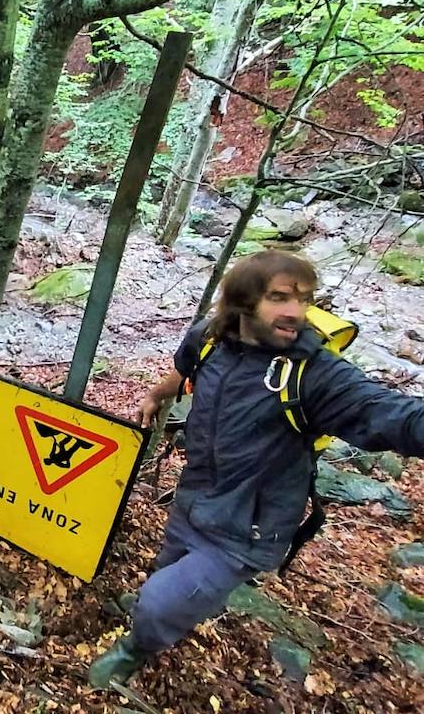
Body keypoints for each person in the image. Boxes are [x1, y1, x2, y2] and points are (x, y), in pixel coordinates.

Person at [88, 249, 424, 688]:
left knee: (156, 603)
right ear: (244, 302)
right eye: (280, 298)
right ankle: (177, 602)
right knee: (168, 564)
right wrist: (155, 394)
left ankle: (137, 647)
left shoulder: (313, 374)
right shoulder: (208, 339)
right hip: (194, 499)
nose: (296, 313)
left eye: (304, 299)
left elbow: (388, 413)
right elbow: (185, 368)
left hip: (247, 529)